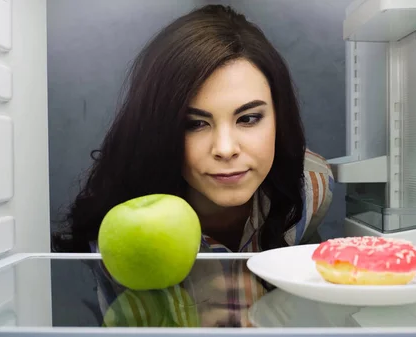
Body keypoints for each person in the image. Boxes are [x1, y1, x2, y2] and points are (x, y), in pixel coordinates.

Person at [54, 4, 335, 327]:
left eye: (249, 118)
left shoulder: (311, 186)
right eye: (195, 124)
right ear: (161, 130)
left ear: (278, 119)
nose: (225, 149)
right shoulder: (122, 222)